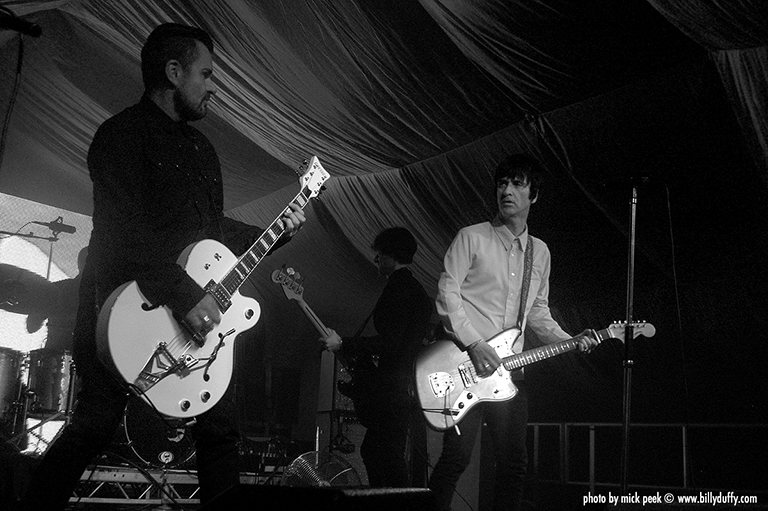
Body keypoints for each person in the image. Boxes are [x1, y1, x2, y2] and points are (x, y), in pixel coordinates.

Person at [18, 23, 306, 510]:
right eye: (207, 73)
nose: (213, 86)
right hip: (124, 307)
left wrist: (275, 232)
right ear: (174, 72)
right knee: (94, 423)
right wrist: (184, 294)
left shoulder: (202, 150)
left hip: (190, 312)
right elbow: (123, 230)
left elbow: (211, 231)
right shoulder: (119, 135)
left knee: (220, 431)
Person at [427, 154, 599, 511]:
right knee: (456, 459)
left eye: (517, 183)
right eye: (502, 183)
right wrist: (474, 343)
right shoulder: (471, 238)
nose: (506, 190)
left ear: (533, 195)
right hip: (465, 366)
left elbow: (537, 312)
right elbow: (447, 292)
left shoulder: (540, 252)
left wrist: (570, 339)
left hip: (509, 374)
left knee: (513, 464)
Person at [319, 227, 432, 488]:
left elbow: (390, 343)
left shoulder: (399, 288)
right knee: (376, 452)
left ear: (392, 255)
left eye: (380, 255)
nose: (376, 260)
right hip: (403, 386)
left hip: (394, 388)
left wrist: (345, 343)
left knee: (384, 454)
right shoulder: (413, 289)